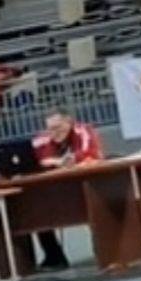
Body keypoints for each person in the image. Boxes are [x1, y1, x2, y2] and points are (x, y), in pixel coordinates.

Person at [29, 109, 105, 268]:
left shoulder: (83, 131)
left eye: (58, 127)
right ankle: (54, 256)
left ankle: (104, 249)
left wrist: (64, 160)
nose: (54, 133)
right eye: (50, 129)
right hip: (57, 188)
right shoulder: (44, 138)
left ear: (69, 122)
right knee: (34, 206)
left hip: (87, 184)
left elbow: (91, 153)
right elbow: (29, 158)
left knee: (92, 204)